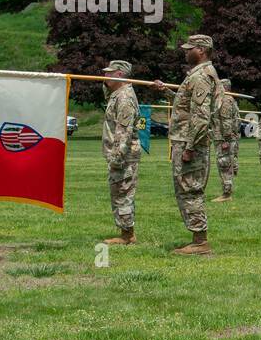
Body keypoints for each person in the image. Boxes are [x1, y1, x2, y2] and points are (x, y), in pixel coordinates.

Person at [154, 34, 220, 255]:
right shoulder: (197, 75)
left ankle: (200, 242)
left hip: (191, 143)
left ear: (201, 50)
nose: (185, 51)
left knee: (191, 189)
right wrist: (167, 91)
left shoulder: (201, 76)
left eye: (189, 48)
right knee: (186, 189)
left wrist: (190, 148)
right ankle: (197, 239)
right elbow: (187, 105)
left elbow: (201, 117)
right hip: (186, 140)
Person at [101, 59, 141, 245]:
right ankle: (125, 231)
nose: (105, 75)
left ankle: (128, 235)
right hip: (119, 154)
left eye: (109, 73)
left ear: (119, 74)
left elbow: (124, 132)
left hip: (123, 155)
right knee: (119, 192)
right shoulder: (117, 94)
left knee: (123, 192)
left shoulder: (124, 98)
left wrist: (116, 158)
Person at [213, 79, 240, 202]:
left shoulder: (225, 100)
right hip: (225, 137)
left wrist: (225, 139)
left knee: (224, 164)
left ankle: (226, 194)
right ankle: (226, 192)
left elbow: (226, 122)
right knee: (225, 164)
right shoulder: (229, 99)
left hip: (224, 138)